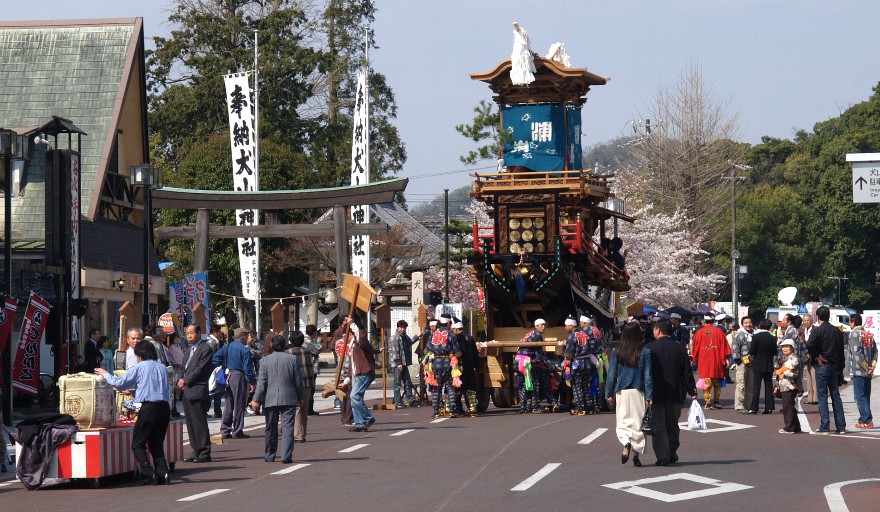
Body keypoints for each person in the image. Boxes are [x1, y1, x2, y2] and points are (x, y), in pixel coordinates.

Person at [96, 341, 171, 485]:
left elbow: (119, 383)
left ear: (140, 355)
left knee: (137, 444)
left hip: (148, 408)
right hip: (164, 408)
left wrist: (105, 374)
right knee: (156, 443)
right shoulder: (162, 368)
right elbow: (153, 387)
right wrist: (133, 391)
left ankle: (150, 473)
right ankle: (164, 473)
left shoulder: (139, 367)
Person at [645, 318, 696, 466]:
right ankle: (672, 452)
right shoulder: (679, 348)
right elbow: (686, 371)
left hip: (655, 394)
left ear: (658, 330)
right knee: (673, 424)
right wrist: (692, 390)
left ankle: (663, 456)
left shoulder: (649, 348)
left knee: (659, 425)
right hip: (675, 392)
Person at [605, 323, 653, 467]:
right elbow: (648, 376)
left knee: (623, 422)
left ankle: (626, 442)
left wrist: (609, 393)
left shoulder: (616, 351)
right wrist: (650, 395)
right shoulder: (645, 352)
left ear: (623, 335)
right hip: (639, 391)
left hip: (622, 391)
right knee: (638, 424)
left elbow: (612, 374)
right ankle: (636, 456)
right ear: (639, 334)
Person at [251, 334, 304, 464]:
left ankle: (270, 454)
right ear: (285, 344)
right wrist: (300, 396)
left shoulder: (264, 360)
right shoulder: (292, 359)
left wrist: (256, 399)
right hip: (289, 396)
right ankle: (286, 455)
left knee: (270, 428)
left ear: (271, 345)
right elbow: (298, 380)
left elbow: (261, 382)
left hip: (270, 398)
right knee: (288, 427)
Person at [806, 306, 847, 434]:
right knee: (835, 395)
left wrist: (817, 355)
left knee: (822, 396)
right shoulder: (837, 331)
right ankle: (841, 426)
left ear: (817, 317)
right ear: (829, 316)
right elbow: (841, 352)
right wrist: (841, 369)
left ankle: (825, 426)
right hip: (835, 366)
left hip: (822, 365)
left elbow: (809, 344)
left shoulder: (817, 331)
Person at [213, 326, 257, 439]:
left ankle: (225, 430)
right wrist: (251, 382)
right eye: (247, 335)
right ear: (243, 336)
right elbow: (247, 368)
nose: (248, 337)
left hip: (227, 375)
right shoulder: (244, 349)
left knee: (228, 403)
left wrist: (222, 365)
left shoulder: (227, 346)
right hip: (239, 376)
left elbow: (215, 358)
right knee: (239, 404)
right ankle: (237, 431)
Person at [178, 324, 214, 462]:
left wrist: (185, 380)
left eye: (192, 333)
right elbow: (184, 367)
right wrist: (181, 379)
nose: (189, 336)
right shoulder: (188, 350)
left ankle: (205, 451)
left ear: (199, 333)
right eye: (187, 333)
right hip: (187, 390)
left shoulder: (205, 349)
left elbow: (200, 369)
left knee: (199, 421)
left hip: (197, 388)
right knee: (190, 422)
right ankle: (196, 450)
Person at [691, 314, 730, 409]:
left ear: (704, 321)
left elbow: (695, 347)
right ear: (713, 321)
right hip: (717, 360)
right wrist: (726, 358)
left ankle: (708, 402)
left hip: (704, 361)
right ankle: (716, 401)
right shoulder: (719, 332)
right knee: (717, 383)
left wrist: (694, 358)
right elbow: (725, 347)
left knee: (706, 383)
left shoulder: (699, 333)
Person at [426, 315, 461, 419]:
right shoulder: (451, 335)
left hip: (435, 363)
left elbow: (426, 351)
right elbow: (457, 352)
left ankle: (436, 411)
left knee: (437, 388)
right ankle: (451, 410)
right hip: (447, 363)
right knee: (450, 387)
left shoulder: (433, 334)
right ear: (449, 323)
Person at [344, 319, 377, 431]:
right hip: (356, 373)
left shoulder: (361, 342)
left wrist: (352, 323)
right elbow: (351, 364)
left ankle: (368, 417)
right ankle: (360, 423)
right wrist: (347, 379)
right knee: (355, 399)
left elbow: (361, 337)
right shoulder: (352, 346)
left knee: (354, 396)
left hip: (364, 372)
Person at [515, 319, 551, 414]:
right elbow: (539, 354)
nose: (543, 327)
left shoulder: (530, 334)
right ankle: (536, 406)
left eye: (544, 325)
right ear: (536, 326)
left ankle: (523, 407)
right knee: (534, 384)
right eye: (541, 325)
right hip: (526, 362)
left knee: (524, 385)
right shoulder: (538, 336)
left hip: (518, 360)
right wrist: (536, 361)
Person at [848, 314, 877, 429]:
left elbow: (856, 353)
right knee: (866, 395)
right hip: (868, 371)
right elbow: (875, 351)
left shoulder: (854, 333)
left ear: (853, 322)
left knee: (860, 396)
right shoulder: (868, 334)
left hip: (859, 370)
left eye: (850, 322)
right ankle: (866, 418)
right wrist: (872, 366)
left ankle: (865, 419)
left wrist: (865, 367)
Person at [563, 317, 595, 416]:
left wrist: (567, 366)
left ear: (571, 325)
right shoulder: (585, 334)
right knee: (585, 385)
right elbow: (591, 348)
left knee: (577, 386)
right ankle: (588, 406)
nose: (565, 328)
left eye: (566, 326)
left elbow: (569, 353)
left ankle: (579, 407)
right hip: (587, 362)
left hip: (578, 364)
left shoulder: (572, 336)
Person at [286, 330, 314, 442]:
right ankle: (303, 432)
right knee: (304, 408)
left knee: (296, 408)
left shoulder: (287, 352)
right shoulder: (307, 352)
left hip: (293, 383)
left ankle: (298, 435)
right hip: (307, 382)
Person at [748, 319, 777, 414]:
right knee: (769, 386)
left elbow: (751, 351)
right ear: (770, 326)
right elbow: (774, 352)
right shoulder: (772, 337)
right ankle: (769, 408)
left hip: (758, 363)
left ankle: (754, 408)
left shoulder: (756, 337)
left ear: (760, 325)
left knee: (756, 386)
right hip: (768, 363)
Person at [451, 321, 480, 416]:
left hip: (459, 367)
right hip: (470, 367)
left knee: (457, 388)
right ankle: (472, 409)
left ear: (456, 329)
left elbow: (456, 353)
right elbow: (475, 354)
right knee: (470, 389)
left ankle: (457, 408)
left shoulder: (456, 338)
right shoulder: (471, 338)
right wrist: (477, 367)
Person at [387, 320, 418, 408]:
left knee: (407, 381)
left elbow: (410, 342)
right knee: (397, 383)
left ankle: (411, 399)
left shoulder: (404, 337)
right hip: (398, 364)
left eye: (405, 328)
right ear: (398, 327)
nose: (404, 329)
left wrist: (417, 337)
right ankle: (398, 401)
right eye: (402, 328)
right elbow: (394, 351)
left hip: (404, 363)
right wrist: (398, 363)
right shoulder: (394, 338)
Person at [775, 339, 802, 433]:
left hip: (790, 385)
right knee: (790, 406)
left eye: (787, 346)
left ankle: (789, 428)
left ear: (792, 348)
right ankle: (796, 427)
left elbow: (795, 373)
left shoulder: (793, 358)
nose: (785, 348)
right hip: (785, 385)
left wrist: (784, 374)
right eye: (783, 346)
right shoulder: (786, 357)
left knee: (787, 407)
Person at [731, 317, 754, 413]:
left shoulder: (753, 334)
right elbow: (735, 348)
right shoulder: (739, 335)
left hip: (752, 363)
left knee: (750, 385)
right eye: (745, 323)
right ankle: (739, 405)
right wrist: (738, 361)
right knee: (741, 385)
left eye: (749, 322)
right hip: (742, 363)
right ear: (742, 324)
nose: (748, 324)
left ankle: (748, 405)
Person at [303, 324, 322, 416]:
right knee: (310, 390)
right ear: (313, 333)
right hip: (310, 368)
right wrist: (318, 342)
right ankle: (309, 409)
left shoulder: (308, 341)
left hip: (310, 368)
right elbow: (317, 350)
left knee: (311, 390)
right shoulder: (308, 342)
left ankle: (310, 408)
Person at [798, 314, 817, 404]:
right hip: (805, 357)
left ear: (812, 321)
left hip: (814, 357)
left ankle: (815, 398)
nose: (806, 322)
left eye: (807, 320)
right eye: (804, 320)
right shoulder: (802, 331)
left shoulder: (815, 330)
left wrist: (811, 353)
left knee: (814, 377)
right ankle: (810, 398)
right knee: (808, 377)